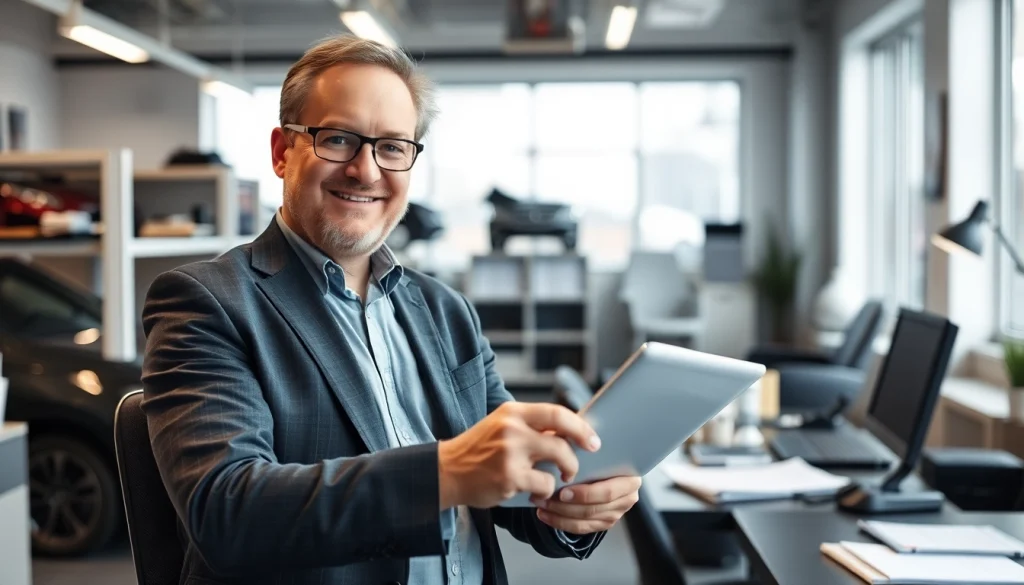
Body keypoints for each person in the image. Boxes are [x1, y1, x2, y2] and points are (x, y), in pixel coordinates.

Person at [141, 34, 642, 585]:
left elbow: (507, 481)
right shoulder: (207, 302)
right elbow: (227, 514)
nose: (366, 170)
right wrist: (443, 474)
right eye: (338, 139)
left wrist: (573, 499)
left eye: (393, 147)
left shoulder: (447, 311)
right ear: (283, 152)